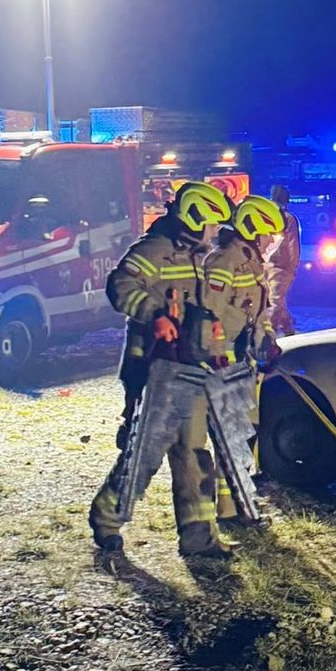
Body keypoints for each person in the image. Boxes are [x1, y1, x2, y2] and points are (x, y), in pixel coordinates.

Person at [89, 180, 234, 559]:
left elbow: (196, 308)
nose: (215, 232)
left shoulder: (194, 255)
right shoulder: (155, 250)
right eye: (212, 224)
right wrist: (153, 314)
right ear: (195, 218)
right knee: (145, 450)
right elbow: (120, 285)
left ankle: (198, 537)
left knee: (192, 449)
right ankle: (106, 520)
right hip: (153, 366)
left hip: (187, 366)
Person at [202, 194, 285, 522]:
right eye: (268, 235)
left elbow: (257, 313)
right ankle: (230, 507)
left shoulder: (251, 262)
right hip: (223, 362)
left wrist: (268, 340)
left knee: (242, 431)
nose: (270, 244)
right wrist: (219, 355)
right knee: (230, 431)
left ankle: (232, 503)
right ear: (252, 228)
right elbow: (209, 314)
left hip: (242, 360)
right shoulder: (223, 261)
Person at [263, 184, 301, 336]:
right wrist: (293, 268)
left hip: (265, 264)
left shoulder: (264, 217)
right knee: (276, 300)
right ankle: (272, 331)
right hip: (281, 267)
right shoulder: (289, 220)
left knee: (274, 299)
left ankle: (282, 329)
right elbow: (293, 246)